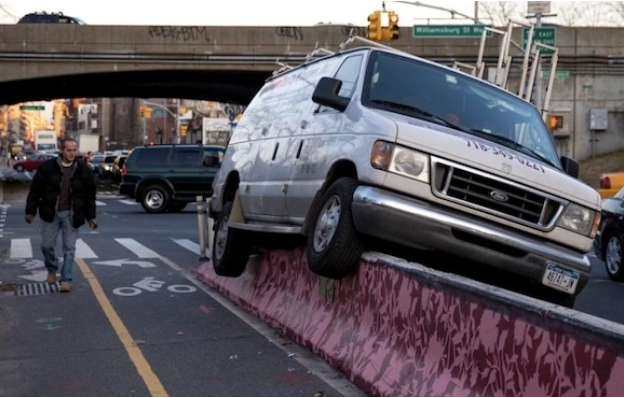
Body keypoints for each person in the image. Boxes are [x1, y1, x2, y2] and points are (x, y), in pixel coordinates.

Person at [25, 138, 98, 293]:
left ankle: (66, 280)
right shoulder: (47, 168)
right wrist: (30, 212)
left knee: (69, 248)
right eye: (68, 150)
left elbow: (90, 195)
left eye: (74, 150)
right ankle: (52, 268)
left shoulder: (84, 170)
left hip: (72, 214)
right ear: (62, 150)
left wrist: (91, 217)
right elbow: (35, 191)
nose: (72, 153)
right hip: (51, 213)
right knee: (46, 246)